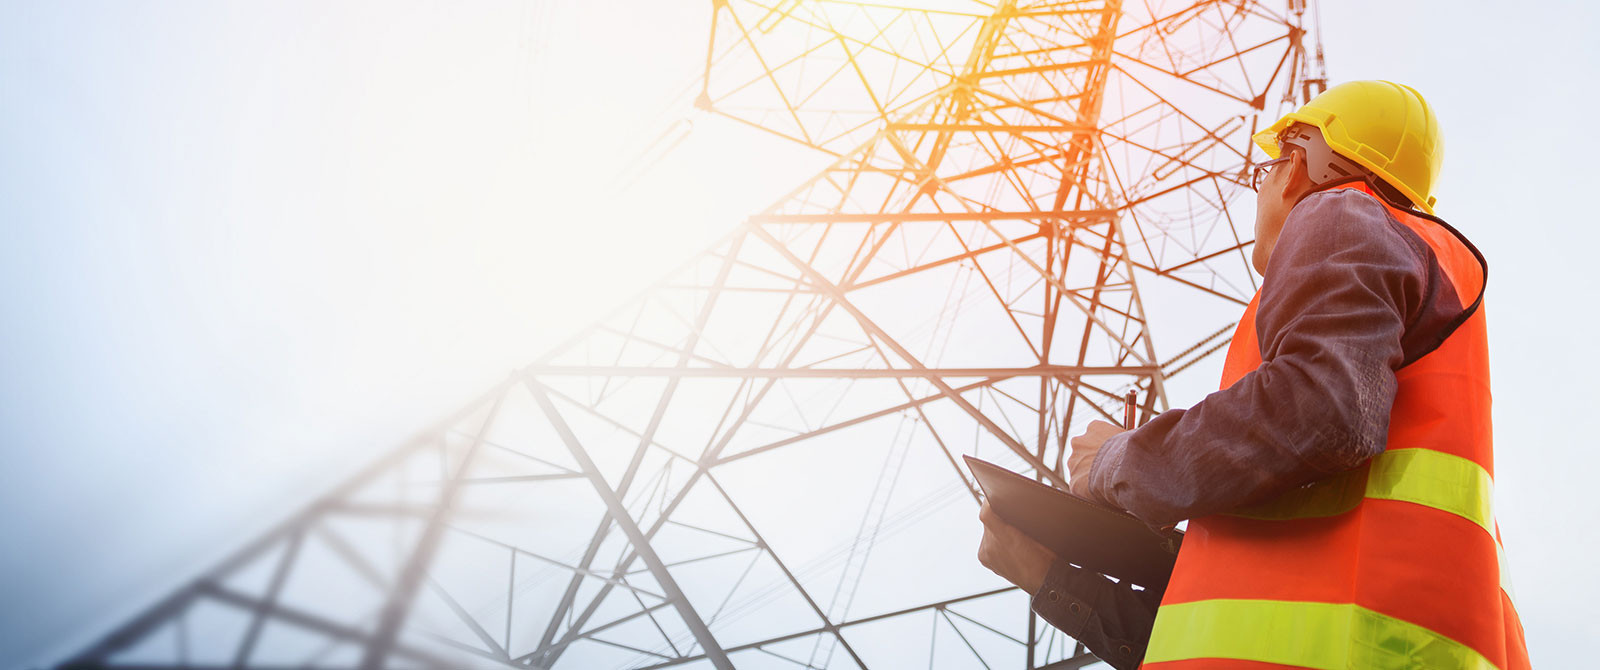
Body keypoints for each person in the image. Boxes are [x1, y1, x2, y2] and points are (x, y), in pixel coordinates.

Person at [977, 80, 1530, 669]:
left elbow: (1321, 412)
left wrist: (1119, 461)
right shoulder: (1374, 504)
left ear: (1295, 165)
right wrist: (1049, 581)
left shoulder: (1341, 210)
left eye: (1262, 172)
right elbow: (1214, 637)